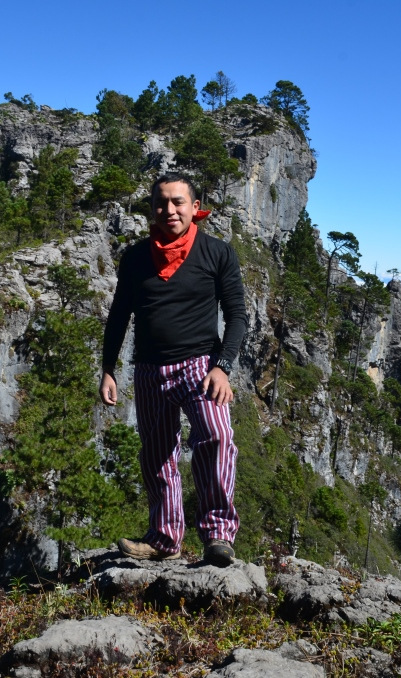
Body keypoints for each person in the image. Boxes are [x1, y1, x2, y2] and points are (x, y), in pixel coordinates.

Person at [99, 172, 248, 567]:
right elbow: (118, 316)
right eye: (161, 203)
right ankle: (164, 539)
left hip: (202, 366)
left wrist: (223, 368)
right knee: (158, 455)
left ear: (195, 208)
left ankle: (218, 535)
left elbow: (237, 318)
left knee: (216, 438)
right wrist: (108, 368)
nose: (170, 210)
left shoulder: (217, 252)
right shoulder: (135, 258)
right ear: (152, 209)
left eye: (178, 202)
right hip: (149, 369)